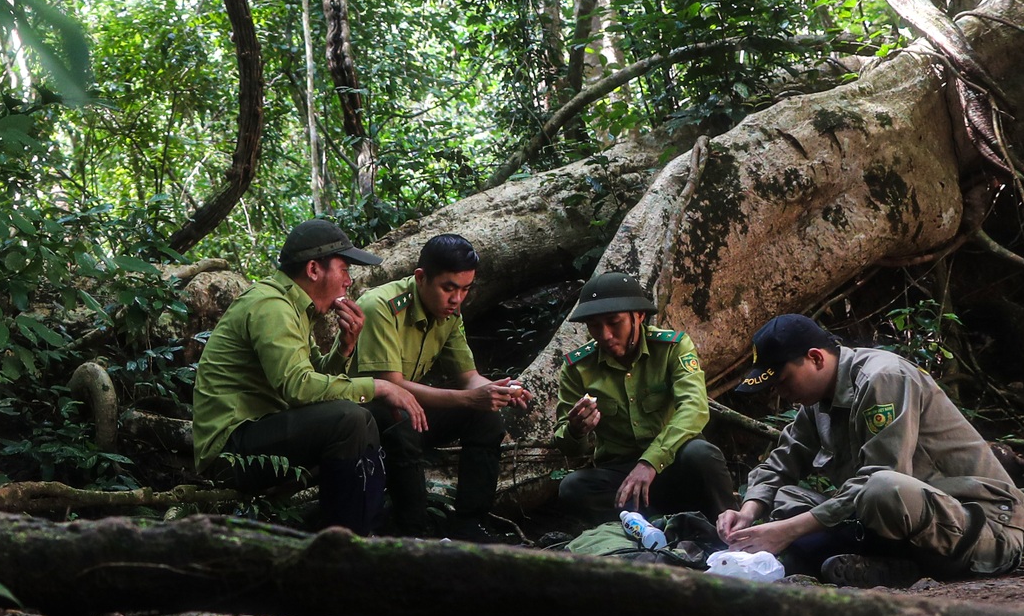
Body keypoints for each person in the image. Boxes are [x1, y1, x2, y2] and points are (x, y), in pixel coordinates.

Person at [718, 314, 1024, 587]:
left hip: (981, 528)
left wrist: (787, 531)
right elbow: (781, 462)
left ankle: (884, 562)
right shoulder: (817, 404)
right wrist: (748, 513)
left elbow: (883, 476)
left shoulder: (883, 377)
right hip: (913, 530)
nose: (782, 394)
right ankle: (894, 569)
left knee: (882, 486)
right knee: (788, 497)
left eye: (784, 381)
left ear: (816, 358)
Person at [191, 218, 428, 533]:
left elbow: (316, 381)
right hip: (231, 452)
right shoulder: (271, 306)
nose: (348, 281)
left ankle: (413, 530)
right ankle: (346, 546)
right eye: (344, 269)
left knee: (383, 415)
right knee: (350, 419)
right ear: (314, 270)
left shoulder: (296, 307)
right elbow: (299, 388)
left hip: (267, 434)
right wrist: (377, 385)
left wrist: (346, 346)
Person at [352, 234, 530, 536]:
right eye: (448, 288)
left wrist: (496, 390)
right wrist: (471, 399)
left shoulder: (450, 313)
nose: (457, 299)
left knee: (485, 418)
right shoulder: (380, 306)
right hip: (366, 415)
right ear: (421, 278)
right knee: (401, 422)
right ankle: (414, 532)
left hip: (409, 408)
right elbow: (390, 385)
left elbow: (468, 376)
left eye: (465, 289)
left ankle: (471, 524)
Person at [554, 271, 735, 527]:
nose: (605, 335)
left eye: (614, 322)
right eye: (594, 325)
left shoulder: (673, 347)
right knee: (573, 488)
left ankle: (730, 532)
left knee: (701, 454)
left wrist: (650, 462)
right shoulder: (577, 368)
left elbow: (694, 408)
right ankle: (638, 535)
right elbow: (566, 444)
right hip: (622, 477)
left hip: (672, 462)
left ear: (638, 316)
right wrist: (575, 430)